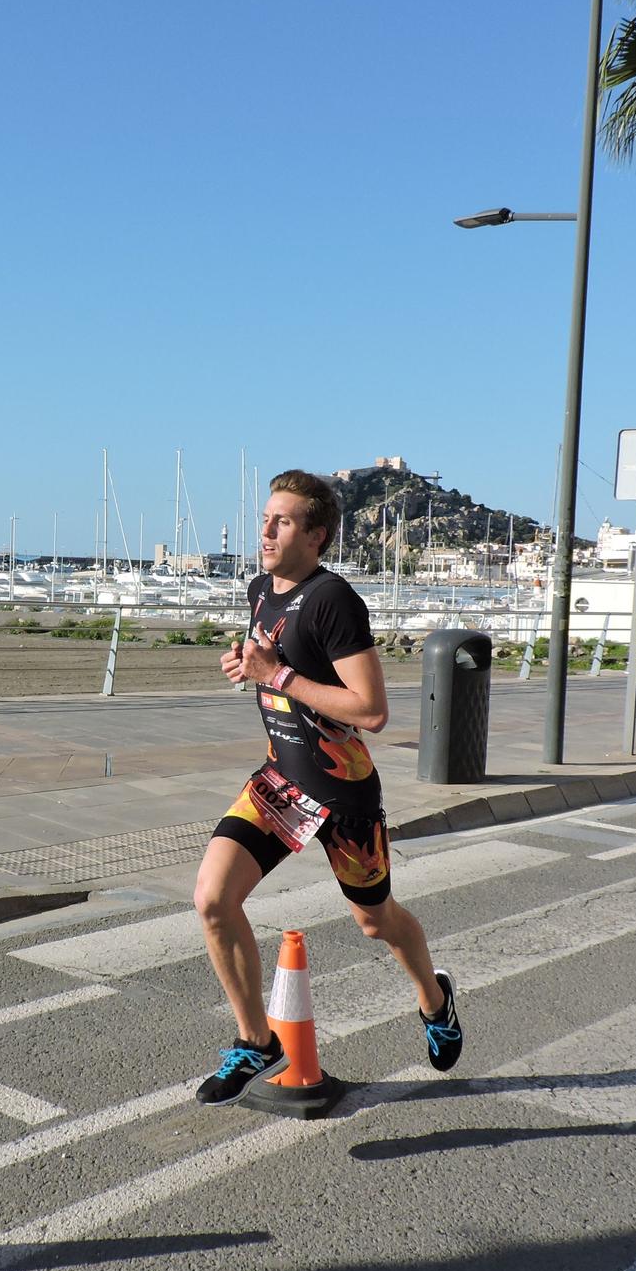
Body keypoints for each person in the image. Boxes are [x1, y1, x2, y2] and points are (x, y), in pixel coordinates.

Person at [192, 469, 461, 1104]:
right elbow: (274, 664)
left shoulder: (334, 599)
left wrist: (276, 674)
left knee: (377, 922)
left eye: (281, 521)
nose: (265, 529)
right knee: (212, 900)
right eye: (265, 517)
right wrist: (249, 667)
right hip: (281, 781)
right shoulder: (261, 588)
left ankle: (435, 998)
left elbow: (369, 709)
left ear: (316, 536)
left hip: (343, 795)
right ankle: (258, 1042)